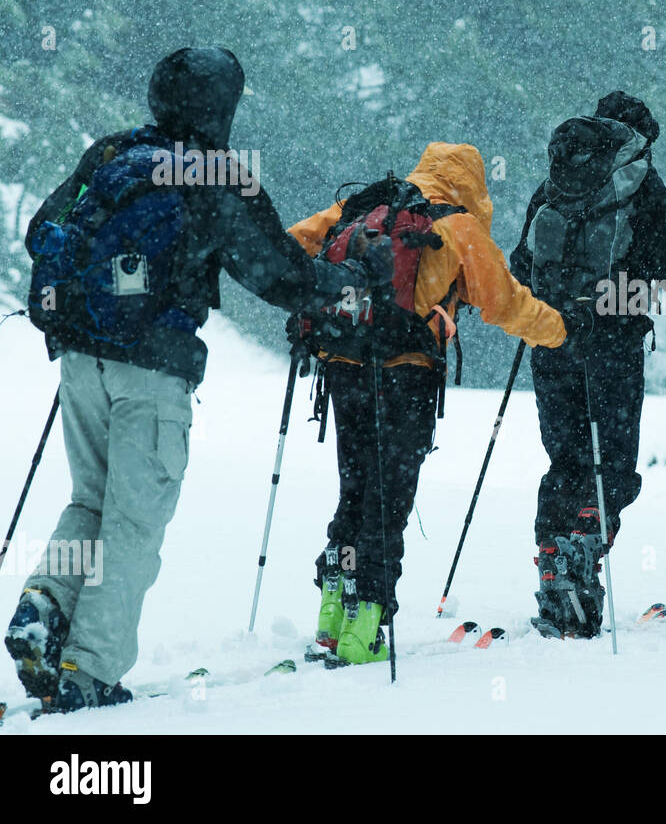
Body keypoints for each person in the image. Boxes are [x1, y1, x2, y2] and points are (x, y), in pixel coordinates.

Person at [7, 47, 392, 711]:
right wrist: (354, 286)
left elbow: (43, 229)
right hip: (152, 372)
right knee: (133, 521)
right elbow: (280, 275)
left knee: (91, 500)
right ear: (224, 107)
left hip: (79, 360)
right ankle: (90, 668)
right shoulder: (218, 178)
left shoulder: (109, 155)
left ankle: (44, 603)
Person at [288, 142, 567, 665]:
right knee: (388, 497)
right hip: (404, 379)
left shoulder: (365, 208)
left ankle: (332, 611)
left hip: (342, 367)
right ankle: (365, 626)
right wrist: (557, 330)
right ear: (473, 184)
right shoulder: (458, 227)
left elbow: (292, 246)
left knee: (355, 488)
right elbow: (503, 301)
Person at [510, 91, 666, 638]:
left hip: (550, 338)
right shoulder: (642, 183)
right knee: (611, 464)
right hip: (613, 344)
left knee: (566, 456)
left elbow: (520, 263)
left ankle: (555, 563)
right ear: (642, 137)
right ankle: (584, 553)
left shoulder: (556, 180)